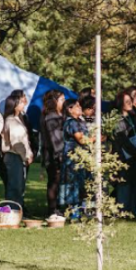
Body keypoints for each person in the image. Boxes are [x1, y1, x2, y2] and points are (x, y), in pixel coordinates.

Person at [112, 89, 136, 216]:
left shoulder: (134, 117)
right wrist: (135, 151)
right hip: (124, 157)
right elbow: (122, 140)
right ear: (120, 104)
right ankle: (124, 210)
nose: (130, 103)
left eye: (130, 101)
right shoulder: (117, 120)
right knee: (124, 183)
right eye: (127, 102)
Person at [1, 90, 33, 212]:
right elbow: (16, 142)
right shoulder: (11, 120)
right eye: (20, 103)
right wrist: (26, 156)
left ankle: (16, 210)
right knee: (14, 185)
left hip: (17, 156)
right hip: (13, 155)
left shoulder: (18, 119)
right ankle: (11, 211)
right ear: (14, 105)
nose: (23, 104)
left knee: (19, 185)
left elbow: (24, 140)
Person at [61, 99, 89, 219]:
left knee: (82, 184)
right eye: (77, 106)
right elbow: (81, 139)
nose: (80, 107)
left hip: (81, 157)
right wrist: (96, 138)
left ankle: (82, 212)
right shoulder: (71, 122)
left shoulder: (80, 122)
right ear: (69, 109)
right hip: (73, 157)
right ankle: (74, 213)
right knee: (74, 185)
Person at [40, 90, 65, 222]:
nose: (64, 102)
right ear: (54, 101)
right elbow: (54, 139)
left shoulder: (60, 115)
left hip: (58, 153)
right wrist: (59, 155)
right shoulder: (51, 116)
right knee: (54, 182)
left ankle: (59, 208)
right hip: (54, 155)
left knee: (58, 182)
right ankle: (52, 210)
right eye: (62, 99)